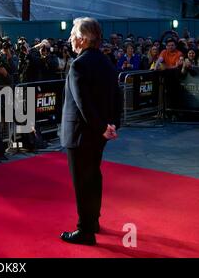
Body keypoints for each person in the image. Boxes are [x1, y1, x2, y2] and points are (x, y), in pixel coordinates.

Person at [60, 17, 121, 246]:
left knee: (82, 183)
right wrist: (111, 125)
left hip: (79, 134)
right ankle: (93, 221)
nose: (71, 38)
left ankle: (85, 230)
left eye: (74, 33)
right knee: (93, 176)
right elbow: (116, 97)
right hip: (99, 134)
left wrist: (101, 127)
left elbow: (83, 103)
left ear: (84, 39)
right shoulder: (106, 62)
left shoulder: (79, 64)